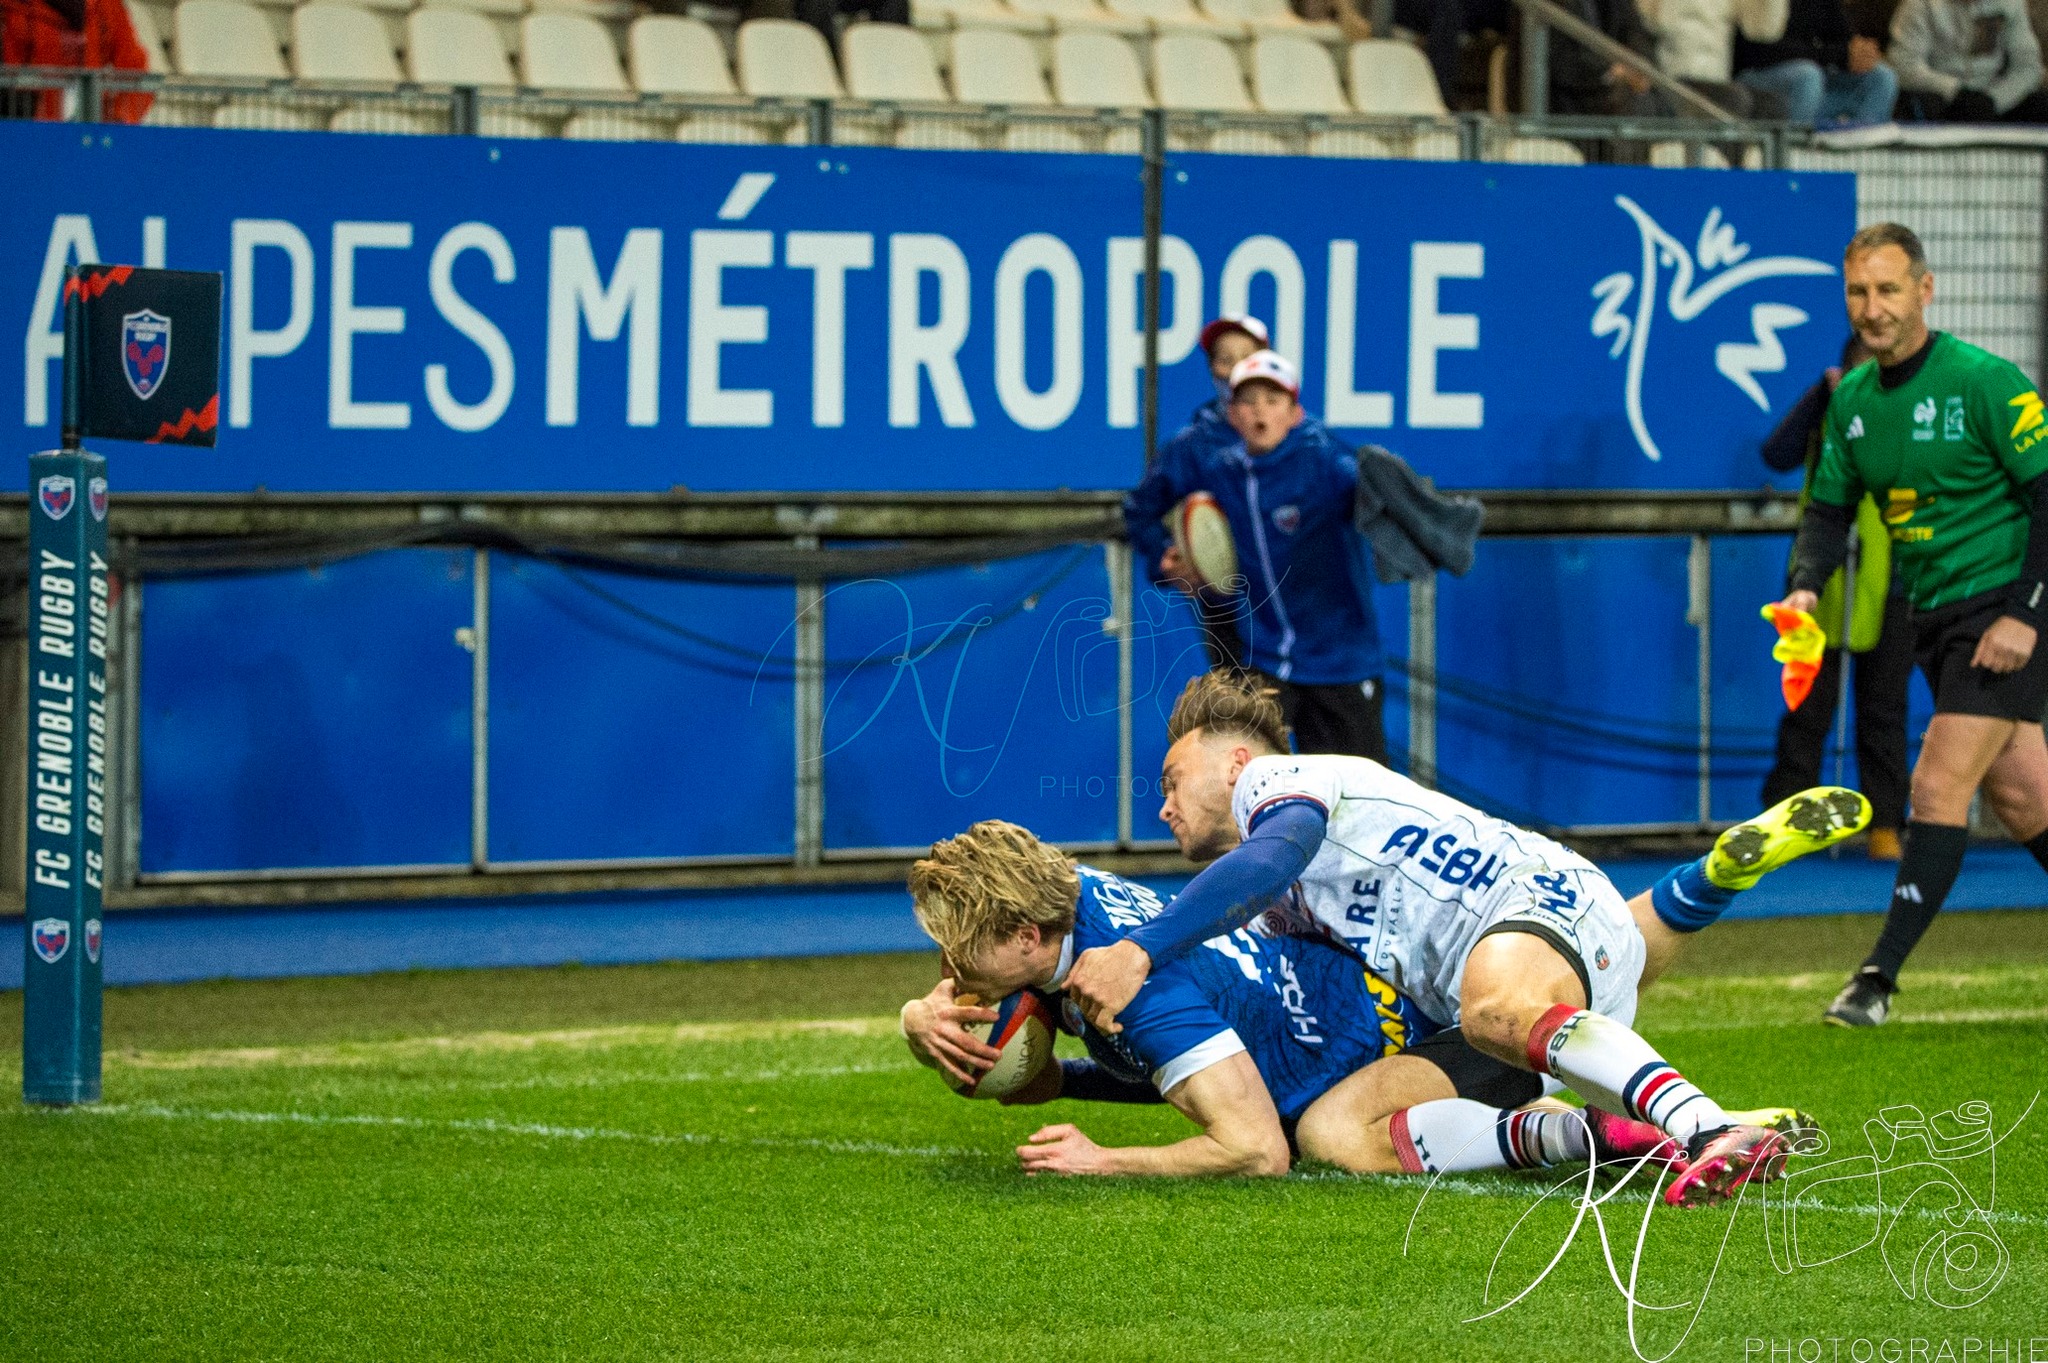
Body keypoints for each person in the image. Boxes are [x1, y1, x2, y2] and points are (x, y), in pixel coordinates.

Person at [1059, 671, 1870, 1204]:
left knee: (1499, 1009)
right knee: (1333, 1133)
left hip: (1521, 912)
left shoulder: (1278, 786)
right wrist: (1077, 1076)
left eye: (1171, 780)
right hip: (1578, 950)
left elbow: (1275, 852)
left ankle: (1705, 1125)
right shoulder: (1280, 901)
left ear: (1236, 761)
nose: (1163, 807)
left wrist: (1139, 947)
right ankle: (1627, 1106)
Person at [899, 820, 1703, 1178]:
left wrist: (1102, 1159)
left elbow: (1254, 1150)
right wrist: (916, 1018)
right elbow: (1094, 1067)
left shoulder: (1148, 1000)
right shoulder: (1074, 893)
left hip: (1444, 1048)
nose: (945, 962)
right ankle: (1699, 888)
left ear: (1028, 936)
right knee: (1612, 971)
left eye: (960, 946)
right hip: (1378, 992)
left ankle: (1598, 1134)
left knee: (1331, 1137)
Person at [1773, 223, 2048, 1027]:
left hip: (2002, 609)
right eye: (1859, 291)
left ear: (1925, 291)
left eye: (1889, 290)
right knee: (2027, 800)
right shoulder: (1852, 399)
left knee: (1935, 785)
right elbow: (1826, 512)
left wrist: (2025, 614)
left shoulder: (1984, 382)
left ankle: (1875, 979)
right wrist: (1802, 589)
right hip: (1935, 617)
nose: (1873, 308)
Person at [1123, 350, 1389, 761]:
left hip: (1341, 664)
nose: (1260, 412)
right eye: (1248, 402)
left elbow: (1377, 498)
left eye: (1273, 400)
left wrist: (1391, 504)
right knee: (1249, 790)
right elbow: (1142, 507)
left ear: (1294, 411)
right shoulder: (1220, 470)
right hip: (1264, 663)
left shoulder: (1328, 463)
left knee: (1352, 806)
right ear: (1231, 415)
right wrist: (1168, 561)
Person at [1759, 337, 1912, 861]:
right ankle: (1784, 826)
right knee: (1806, 709)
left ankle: (1886, 823)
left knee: (1884, 711)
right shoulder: (1826, 407)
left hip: (1891, 579)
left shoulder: (1909, 414)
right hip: (1815, 582)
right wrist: (1816, 397)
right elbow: (1775, 455)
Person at [1127, 314, 1271, 672]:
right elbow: (1139, 512)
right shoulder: (1192, 446)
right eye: (1225, 359)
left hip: (1303, 615)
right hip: (1228, 614)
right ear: (1212, 371)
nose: (1236, 369)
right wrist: (1168, 557)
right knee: (1241, 722)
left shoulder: (1299, 439)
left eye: (1246, 357)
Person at [1735, 0, 1899, 124]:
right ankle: (1792, 157)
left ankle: (1860, 157)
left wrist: (1860, 52)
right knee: (1808, 77)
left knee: (1882, 77)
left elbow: (1842, 37)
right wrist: (1839, 54)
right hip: (1754, 76)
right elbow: (1759, 50)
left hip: (1812, 81)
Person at [1888, 0, 2048, 121]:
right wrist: (1955, 91)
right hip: (1942, 96)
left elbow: (2028, 68)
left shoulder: (2010, 3)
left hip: (1995, 97)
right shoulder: (1921, 4)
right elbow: (1903, 65)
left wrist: (1994, 100)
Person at [1634, 0, 1795, 117]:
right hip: (1672, 80)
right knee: (1733, 99)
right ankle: (1727, 164)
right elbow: (1649, 21)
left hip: (1717, 81)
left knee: (1773, 106)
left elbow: (1762, 29)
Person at [0, 0, 152, 123]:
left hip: (87, 134)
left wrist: (118, 120)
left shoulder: (107, 6)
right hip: (27, 133)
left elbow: (135, 69)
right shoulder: (10, 9)